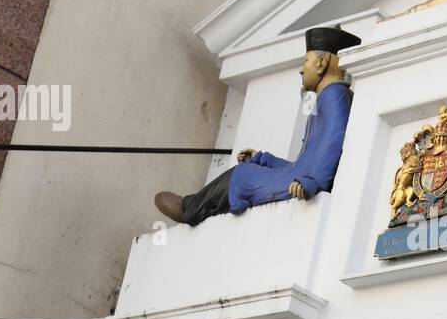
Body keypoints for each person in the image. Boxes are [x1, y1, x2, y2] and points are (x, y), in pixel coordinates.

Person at [154, 26, 362, 226]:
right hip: (298, 178)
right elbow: (299, 165)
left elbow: (333, 142)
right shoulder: (328, 98)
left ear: (322, 63)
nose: (301, 69)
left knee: (243, 176)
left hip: (303, 183)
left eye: (306, 61)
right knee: (248, 169)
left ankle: (190, 209)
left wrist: (312, 181)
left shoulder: (334, 95)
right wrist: (263, 159)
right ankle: (194, 206)